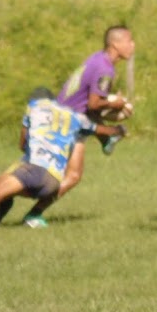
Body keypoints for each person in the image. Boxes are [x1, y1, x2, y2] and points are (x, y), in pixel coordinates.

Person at [14, 25, 136, 228]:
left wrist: (110, 114)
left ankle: (107, 139)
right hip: (70, 123)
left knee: (53, 172)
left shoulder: (97, 58)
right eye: (129, 41)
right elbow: (94, 104)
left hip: (65, 116)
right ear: (116, 44)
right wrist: (116, 105)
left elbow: (89, 103)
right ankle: (31, 212)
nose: (133, 45)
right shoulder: (105, 69)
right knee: (71, 176)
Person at [0, 88, 124, 230]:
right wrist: (119, 129)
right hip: (53, 182)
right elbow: (102, 130)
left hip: (34, 170)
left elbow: (22, 143)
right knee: (11, 185)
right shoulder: (74, 116)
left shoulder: (34, 107)